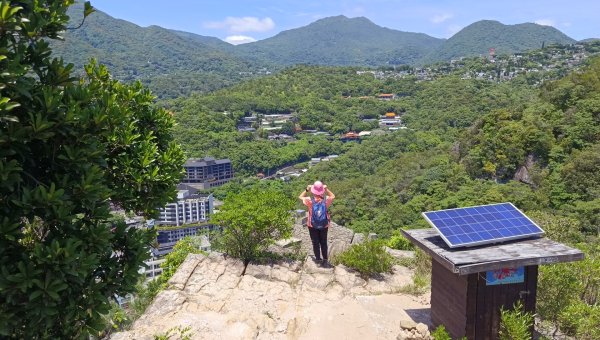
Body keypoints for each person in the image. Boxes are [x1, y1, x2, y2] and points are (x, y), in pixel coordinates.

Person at [298, 180, 335, 266]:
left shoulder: (309, 200)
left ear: (313, 190)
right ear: (322, 190)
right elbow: (333, 196)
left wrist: (307, 189)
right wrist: (326, 189)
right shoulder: (326, 200)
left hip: (312, 225)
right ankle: (325, 260)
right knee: (323, 242)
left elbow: (300, 196)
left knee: (315, 242)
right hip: (324, 224)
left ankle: (318, 260)